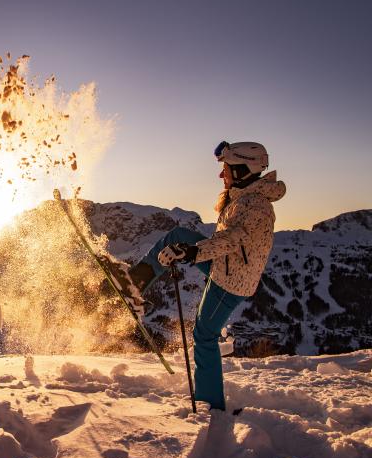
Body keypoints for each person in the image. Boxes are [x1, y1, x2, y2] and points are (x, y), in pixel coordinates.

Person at [109, 141, 286, 411]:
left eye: (225, 168)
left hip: (230, 282)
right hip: (224, 265)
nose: (221, 174)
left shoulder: (257, 207)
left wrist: (192, 252)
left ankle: (210, 405)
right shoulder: (245, 196)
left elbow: (233, 239)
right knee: (178, 234)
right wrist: (190, 249)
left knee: (204, 335)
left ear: (241, 169)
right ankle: (136, 282)